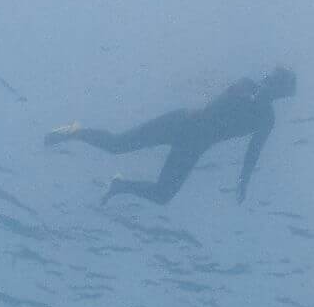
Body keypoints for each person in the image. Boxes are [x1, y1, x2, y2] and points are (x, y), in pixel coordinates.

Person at [47, 69, 296, 207]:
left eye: (278, 88)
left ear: (281, 95)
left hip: (194, 147)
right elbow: (218, 105)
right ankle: (75, 131)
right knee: (117, 145)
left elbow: (254, 152)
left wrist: (243, 182)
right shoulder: (246, 85)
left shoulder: (266, 119)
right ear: (268, 80)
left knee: (163, 196)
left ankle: (120, 186)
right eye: (272, 81)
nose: (271, 86)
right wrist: (250, 98)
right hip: (179, 124)